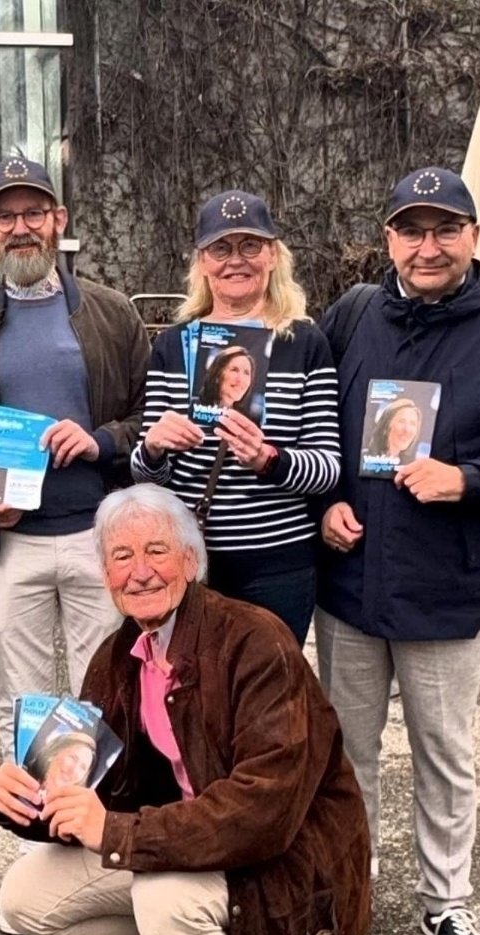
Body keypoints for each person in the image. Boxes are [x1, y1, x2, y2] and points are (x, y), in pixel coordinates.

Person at [0, 484, 371, 935]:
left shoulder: (255, 640)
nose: (139, 571)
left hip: (289, 860)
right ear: (105, 573)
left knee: (166, 898)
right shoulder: (117, 656)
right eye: (121, 556)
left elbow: (264, 811)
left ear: (191, 560)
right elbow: (95, 788)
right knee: (23, 898)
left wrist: (120, 834)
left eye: (157, 551)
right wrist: (26, 799)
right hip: (195, 836)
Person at [316, 166, 480, 935]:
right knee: (346, 756)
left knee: (444, 756)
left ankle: (447, 901)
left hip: (444, 588)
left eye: (444, 229)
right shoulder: (352, 318)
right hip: (351, 585)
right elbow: (320, 424)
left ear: (473, 237)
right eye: (411, 230)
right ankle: (351, 891)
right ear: (387, 239)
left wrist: (468, 478)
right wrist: (330, 503)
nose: (428, 247)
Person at [0, 157, 150, 763]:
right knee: (21, 703)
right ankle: (35, 841)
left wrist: (100, 440)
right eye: (5, 215)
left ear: (59, 220)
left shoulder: (113, 314)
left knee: (105, 696)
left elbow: (149, 416)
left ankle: (98, 838)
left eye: (33, 212)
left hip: (99, 536)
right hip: (8, 547)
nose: (20, 226)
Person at [130, 190, 340, 645]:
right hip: (192, 559)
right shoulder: (175, 345)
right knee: (192, 698)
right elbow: (147, 476)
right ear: (202, 262)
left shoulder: (304, 343)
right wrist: (153, 447)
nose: (235, 260)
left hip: (279, 562)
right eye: (221, 248)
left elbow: (328, 468)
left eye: (250, 246)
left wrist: (269, 459)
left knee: (268, 698)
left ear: (272, 255)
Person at [25, 731, 97, 795]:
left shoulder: (72, 809)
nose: (74, 770)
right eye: (73, 758)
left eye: (83, 767)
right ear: (53, 753)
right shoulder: (21, 775)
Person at [365, 396, 421, 462]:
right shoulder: (364, 458)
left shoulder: (412, 466)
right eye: (402, 421)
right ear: (386, 425)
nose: (407, 429)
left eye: (413, 423)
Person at [200, 346, 255, 413]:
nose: (241, 380)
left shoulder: (247, 419)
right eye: (234, 370)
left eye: (246, 373)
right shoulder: (194, 407)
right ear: (218, 375)